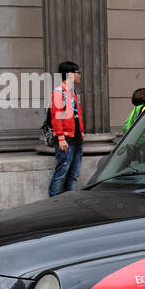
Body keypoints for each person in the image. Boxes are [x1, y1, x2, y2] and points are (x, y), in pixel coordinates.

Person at [48, 60, 84, 197]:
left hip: (77, 138)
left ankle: (69, 200)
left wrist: (81, 132)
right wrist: (61, 137)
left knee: (74, 174)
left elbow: (77, 114)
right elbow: (56, 117)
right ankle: (54, 201)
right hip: (66, 139)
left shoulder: (73, 92)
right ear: (69, 74)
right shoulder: (59, 92)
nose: (79, 75)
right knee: (61, 173)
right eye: (77, 73)